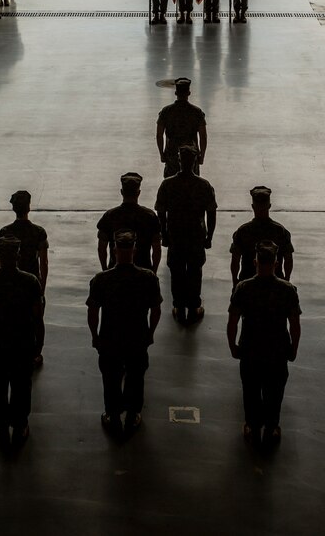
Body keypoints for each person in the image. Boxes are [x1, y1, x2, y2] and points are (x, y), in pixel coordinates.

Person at [87, 230, 162, 437]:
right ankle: (132, 414)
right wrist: (150, 333)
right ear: (134, 251)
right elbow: (156, 310)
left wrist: (95, 336)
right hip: (137, 336)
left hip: (110, 337)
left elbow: (93, 312)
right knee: (136, 375)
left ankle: (112, 415)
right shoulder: (148, 278)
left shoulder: (102, 279)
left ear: (114, 250)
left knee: (111, 377)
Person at [227, 240, 301, 448]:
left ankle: (252, 426)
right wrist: (294, 348)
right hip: (277, 349)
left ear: (255, 262)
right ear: (276, 263)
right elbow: (294, 324)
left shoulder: (243, 288)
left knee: (250, 389)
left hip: (250, 347)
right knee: (274, 390)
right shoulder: (287, 290)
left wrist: (233, 345)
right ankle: (271, 426)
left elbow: (233, 321)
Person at [0, 236, 44, 448]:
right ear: (18, 256)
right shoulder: (30, 282)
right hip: (22, 345)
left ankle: (1, 427)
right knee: (21, 387)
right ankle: (20, 426)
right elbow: (38, 318)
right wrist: (39, 345)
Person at [155, 144, 216, 325]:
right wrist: (209, 236)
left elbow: (161, 212)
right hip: (196, 235)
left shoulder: (168, 184)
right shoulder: (203, 185)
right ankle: (193, 307)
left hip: (176, 235)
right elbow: (211, 213)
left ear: (179, 161)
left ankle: (179, 306)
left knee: (177, 271)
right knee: (195, 271)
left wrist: (164, 234)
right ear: (195, 161)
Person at [0, 190, 48, 366]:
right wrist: (42, 287)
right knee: (33, 321)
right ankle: (34, 353)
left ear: (13, 208)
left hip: (8, 283)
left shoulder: (4, 232)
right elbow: (44, 263)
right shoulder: (38, 232)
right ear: (29, 207)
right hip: (31, 284)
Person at [97, 172, 162, 273]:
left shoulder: (110, 216)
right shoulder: (150, 216)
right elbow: (156, 248)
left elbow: (102, 247)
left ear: (122, 192)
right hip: (143, 272)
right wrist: (153, 272)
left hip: (116, 272)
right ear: (138, 193)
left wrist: (105, 270)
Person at [230, 187, 294, 288]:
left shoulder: (243, 231)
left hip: (248, 284)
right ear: (269, 206)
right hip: (275, 284)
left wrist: (235, 281)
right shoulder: (280, 231)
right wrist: (286, 280)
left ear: (253, 207)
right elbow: (288, 258)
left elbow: (235, 259)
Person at [156, 77, 207, 177]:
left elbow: (159, 135)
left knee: (171, 183)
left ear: (176, 93)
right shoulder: (197, 112)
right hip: (191, 156)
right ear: (189, 93)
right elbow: (203, 136)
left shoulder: (166, 111)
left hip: (172, 155)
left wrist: (162, 154)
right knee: (192, 182)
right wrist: (202, 156)